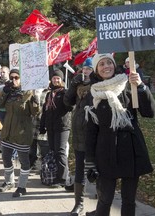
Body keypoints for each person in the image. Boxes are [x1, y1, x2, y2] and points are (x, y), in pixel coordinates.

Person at [84, 53, 155, 216]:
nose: (106, 66)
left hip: (130, 149)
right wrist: (90, 160)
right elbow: (91, 131)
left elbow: (150, 113)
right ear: (96, 69)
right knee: (105, 199)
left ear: (114, 65)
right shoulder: (93, 93)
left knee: (129, 200)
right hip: (105, 153)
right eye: (101, 64)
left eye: (109, 63)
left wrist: (140, 87)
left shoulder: (127, 85)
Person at [0, 69, 40, 197]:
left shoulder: (28, 92)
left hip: (22, 133)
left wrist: (35, 99)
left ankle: (22, 186)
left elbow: (35, 112)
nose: (14, 80)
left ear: (21, 79)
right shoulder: (9, 92)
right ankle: (9, 182)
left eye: (16, 77)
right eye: (12, 78)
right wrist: (5, 91)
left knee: (24, 161)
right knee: (5, 158)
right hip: (8, 132)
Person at [64, 58, 94, 216]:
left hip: (94, 134)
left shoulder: (97, 84)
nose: (87, 71)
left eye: (89, 68)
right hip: (79, 134)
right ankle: (79, 204)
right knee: (80, 169)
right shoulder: (78, 85)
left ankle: (101, 202)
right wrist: (73, 85)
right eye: (85, 69)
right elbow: (67, 102)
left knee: (98, 169)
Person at [40, 69, 74, 189]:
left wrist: (69, 97)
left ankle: (63, 178)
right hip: (51, 126)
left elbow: (69, 107)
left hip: (62, 126)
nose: (56, 80)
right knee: (53, 151)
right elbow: (45, 111)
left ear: (62, 79)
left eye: (58, 78)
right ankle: (54, 175)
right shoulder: (50, 94)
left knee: (60, 152)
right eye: (54, 78)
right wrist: (42, 125)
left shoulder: (65, 92)